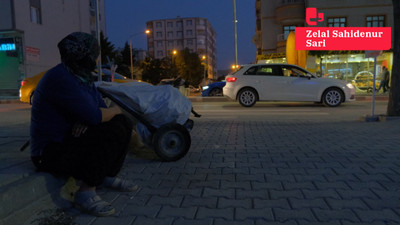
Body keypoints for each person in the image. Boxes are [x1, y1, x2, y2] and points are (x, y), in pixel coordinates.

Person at [30, 32, 137, 217]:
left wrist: (93, 117)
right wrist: (112, 111)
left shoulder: (82, 77)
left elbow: (99, 110)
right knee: (111, 127)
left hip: (69, 140)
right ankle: (85, 192)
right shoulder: (61, 77)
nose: (96, 60)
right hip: (49, 152)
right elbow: (96, 114)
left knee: (122, 122)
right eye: (93, 55)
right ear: (82, 55)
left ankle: (105, 176)